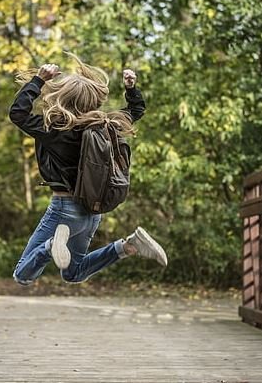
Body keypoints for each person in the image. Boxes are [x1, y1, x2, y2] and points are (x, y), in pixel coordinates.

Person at [9, 53, 168, 286]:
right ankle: (128, 246)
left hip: (64, 210)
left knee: (22, 275)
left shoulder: (53, 129)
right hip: (92, 212)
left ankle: (51, 245)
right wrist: (131, 89)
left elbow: (18, 113)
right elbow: (136, 111)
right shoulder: (106, 126)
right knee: (73, 273)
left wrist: (39, 80)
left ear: (63, 97)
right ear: (92, 100)